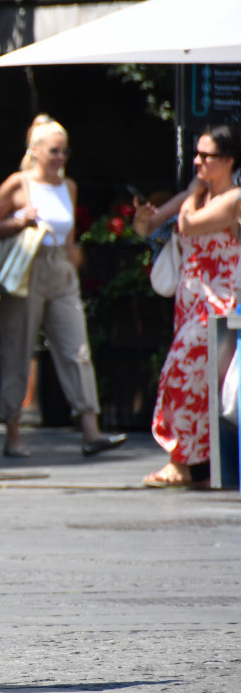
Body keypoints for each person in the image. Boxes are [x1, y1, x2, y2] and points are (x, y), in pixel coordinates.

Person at [0, 114, 128, 458]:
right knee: (17, 349)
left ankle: (91, 430)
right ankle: (13, 433)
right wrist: (19, 219)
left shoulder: (69, 186)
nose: (60, 158)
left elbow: (71, 237)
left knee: (78, 349)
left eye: (64, 151)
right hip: (27, 269)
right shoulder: (19, 184)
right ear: (35, 150)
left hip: (60, 268)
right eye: (54, 151)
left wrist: (74, 269)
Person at [132, 123, 241, 489]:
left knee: (180, 375)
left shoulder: (233, 198)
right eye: (196, 153)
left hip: (220, 302)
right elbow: (148, 228)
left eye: (206, 155)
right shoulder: (196, 195)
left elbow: (190, 225)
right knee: (201, 381)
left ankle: (181, 461)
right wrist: (144, 217)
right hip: (191, 301)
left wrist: (191, 194)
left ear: (228, 160)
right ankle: (200, 463)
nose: (197, 161)